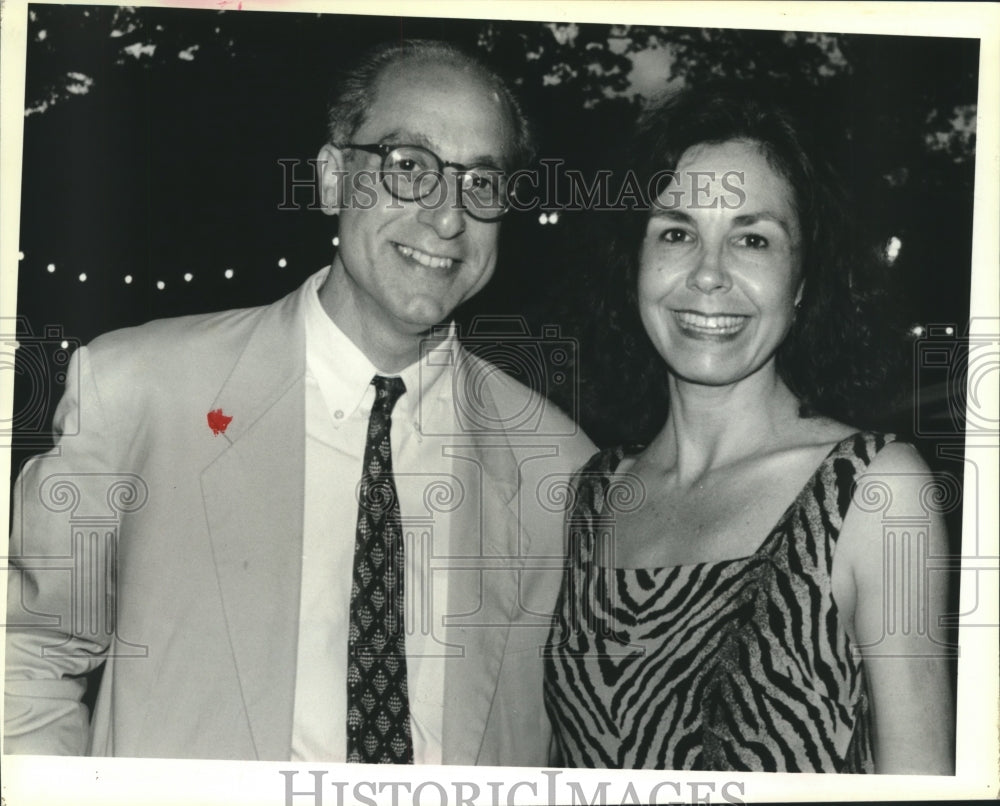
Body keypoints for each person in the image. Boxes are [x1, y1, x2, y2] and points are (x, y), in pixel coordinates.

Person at [4, 38, 595, 763]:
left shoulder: (560, 469)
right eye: (409, 168)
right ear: (331, 178)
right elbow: (26, 657)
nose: (448, 218)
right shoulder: (143, 390)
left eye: (481, 182)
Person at [543, 84, 955, 773]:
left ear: (799, 281)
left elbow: (921, 778)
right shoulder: (590, 496)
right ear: (636, 263)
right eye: (676, 232)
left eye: (752, 239)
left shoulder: (877, 494)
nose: (709, 274)